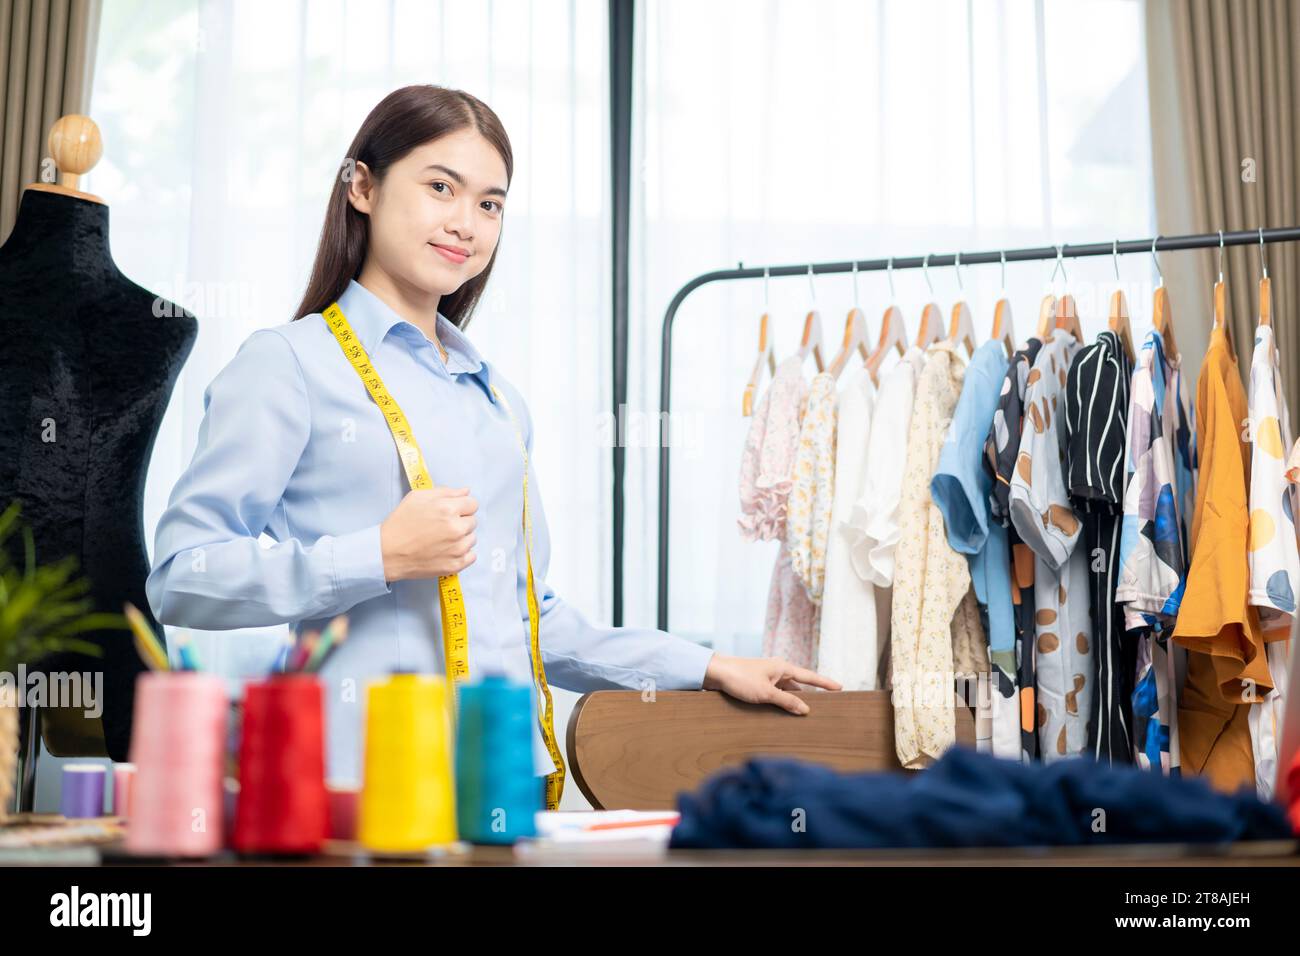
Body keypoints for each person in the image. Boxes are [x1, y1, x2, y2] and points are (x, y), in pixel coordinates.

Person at [146, 84, 839, 789]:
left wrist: (708, 666)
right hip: (361, 784)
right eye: (440, 187)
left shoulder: (497, 398)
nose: (466, 224)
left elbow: (528, 617)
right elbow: (181, 576)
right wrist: (375, 555)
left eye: (489, 203)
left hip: (509, 777)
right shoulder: (288, 364)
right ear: (361, 186)